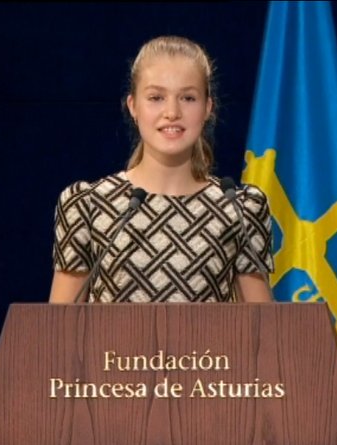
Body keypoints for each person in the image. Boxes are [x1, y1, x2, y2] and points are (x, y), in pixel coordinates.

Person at [49, 35, 273, 303]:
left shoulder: (241, 209)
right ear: (133, 106)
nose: (172, 112)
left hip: (212, 348)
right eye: (156, 97)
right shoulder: (86, 205)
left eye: (188, 98)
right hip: (113, 348)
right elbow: (60, 332)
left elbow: (263, 331)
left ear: (207, 108)